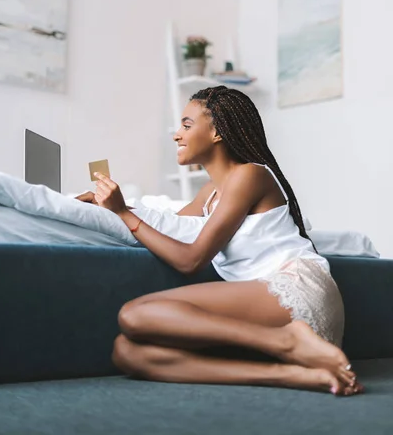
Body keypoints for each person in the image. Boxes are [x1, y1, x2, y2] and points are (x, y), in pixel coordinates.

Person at [84, 86, 363, 395]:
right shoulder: (208, 194)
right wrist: (107, 206)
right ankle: (292, 374)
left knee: (133, 315)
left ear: (217, 131)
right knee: (127, 352)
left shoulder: (250, 175)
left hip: (295, 291)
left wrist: (123, 213)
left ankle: (287, 341)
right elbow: (168, 225)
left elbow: (190, 260)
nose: (177, 135)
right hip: (264, 314)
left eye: (187, 125)